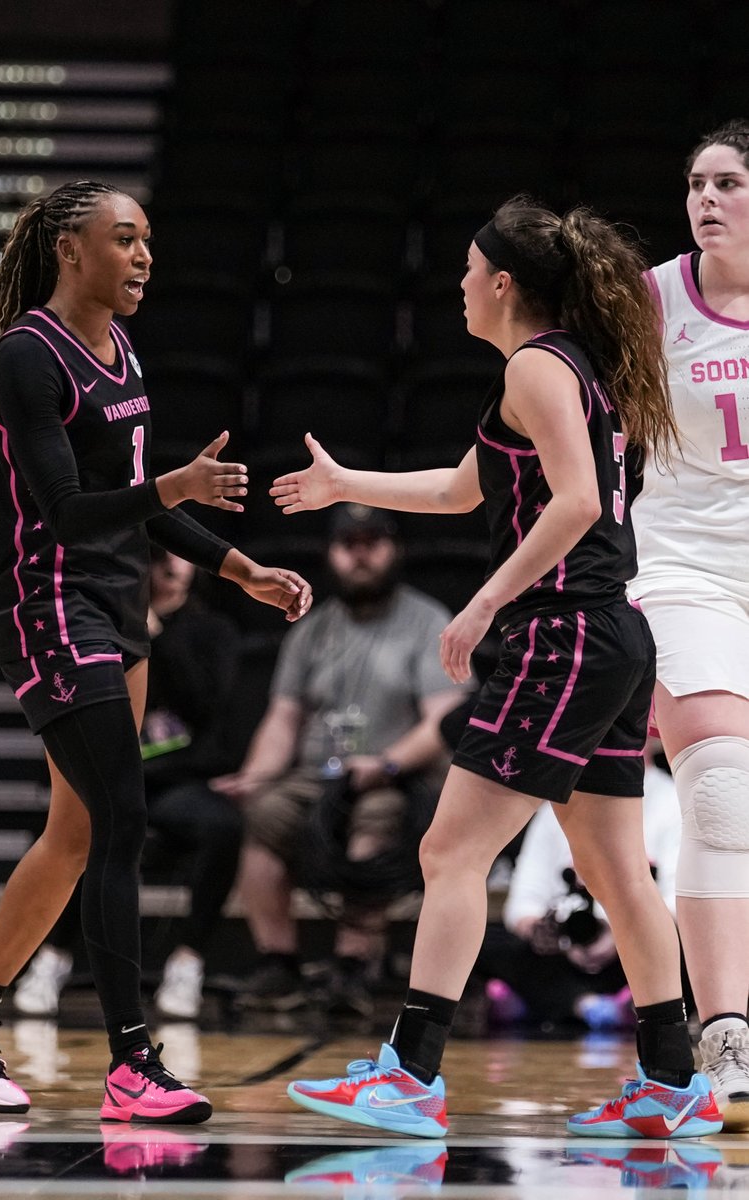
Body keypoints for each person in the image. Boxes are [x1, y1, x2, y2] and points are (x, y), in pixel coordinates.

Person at [273, 195, 723, 1139]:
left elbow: (580, 501)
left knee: (450, 850)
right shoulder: (561, 368)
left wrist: (484, 603)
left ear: (504, 283)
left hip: (562, 635)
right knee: (612, 868)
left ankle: (411, 1072)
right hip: (608, 635)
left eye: (470, 273)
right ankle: (674, 1081)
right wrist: (345, 483)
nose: (461, 288)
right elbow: (463, 486)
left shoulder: (535, 365)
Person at [0, 179, 311, 1123]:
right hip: (49, 607)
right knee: (122, 819)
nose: (143, 258)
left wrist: (238, 566)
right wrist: (178, 480)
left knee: (77, 833)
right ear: (69, 250)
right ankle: (132, 1066)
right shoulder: (24, 357)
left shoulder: (121, 347)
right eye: (124, 240)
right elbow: (68, 511)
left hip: (118, 606)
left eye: (148, 243)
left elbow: (141, 506)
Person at [212, 503, 470, 1018]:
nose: (360, 555)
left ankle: (354, 967)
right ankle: (278, 963)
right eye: (348, 544)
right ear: (331, 554)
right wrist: (256, 776)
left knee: (373, 823)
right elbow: (283, 717)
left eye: (372, 542)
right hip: (318, 777)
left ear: (394, 549)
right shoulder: (311, 628)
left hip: (395, 777)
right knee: (265, 814)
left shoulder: (427, 622)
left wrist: (387, 764)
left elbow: (445, 719)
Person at [628, 119, 749, 1129]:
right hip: (683, 567)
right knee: (718, 788)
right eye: (696, 181)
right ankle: (726, 1034)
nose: (706, 199)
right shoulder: (651, 297)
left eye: (729, 183)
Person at [14, 546, 244, 1022]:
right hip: (114, 775)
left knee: (223, 829)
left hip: (176, 780)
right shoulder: (101, 625)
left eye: (184, 559)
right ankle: (53, 958)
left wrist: (155, 638)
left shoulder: (210, 631)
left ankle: (188, 961)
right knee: (85, 829)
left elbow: (206, 708)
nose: (174, 568)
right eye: (161, 558)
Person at [474, 744, 682, 1032]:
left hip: (636, 943)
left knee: (684, 950)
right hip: (563, 947)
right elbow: (524, 898)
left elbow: (678, 901)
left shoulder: (673, 801)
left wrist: (617, 936)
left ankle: (549, 1001)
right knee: (480, 939)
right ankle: (593, 1005)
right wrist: (549, 935)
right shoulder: (556, 805)